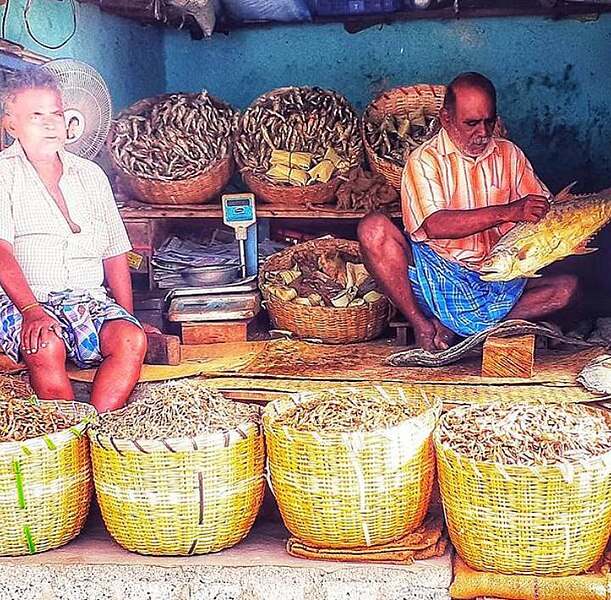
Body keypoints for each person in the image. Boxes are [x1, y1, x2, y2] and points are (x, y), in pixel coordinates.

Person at [358, 72, 578, 352]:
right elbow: (436, 224)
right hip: (438, 276)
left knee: (567, 288)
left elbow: (542, 212)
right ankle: (424, 325)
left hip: (498, 277)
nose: (483, 133)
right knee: (373, 229)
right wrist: (508, 212)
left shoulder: (510, 155)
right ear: (445, 119)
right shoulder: (425, 161)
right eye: (471, 123)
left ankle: (457, 328)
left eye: (489, 121)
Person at [0, 67, 148, 413]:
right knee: (45, 345)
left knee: (130, 339)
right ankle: (67, 429)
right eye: (37, 116)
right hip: (24, 300)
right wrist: (32, 311)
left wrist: (127, 316)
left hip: (87, 300)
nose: (51, 124)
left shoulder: (91, 175)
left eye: (57, 113)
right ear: (11, 125)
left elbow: (115, 252)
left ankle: (98, 427)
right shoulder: (3, 174)